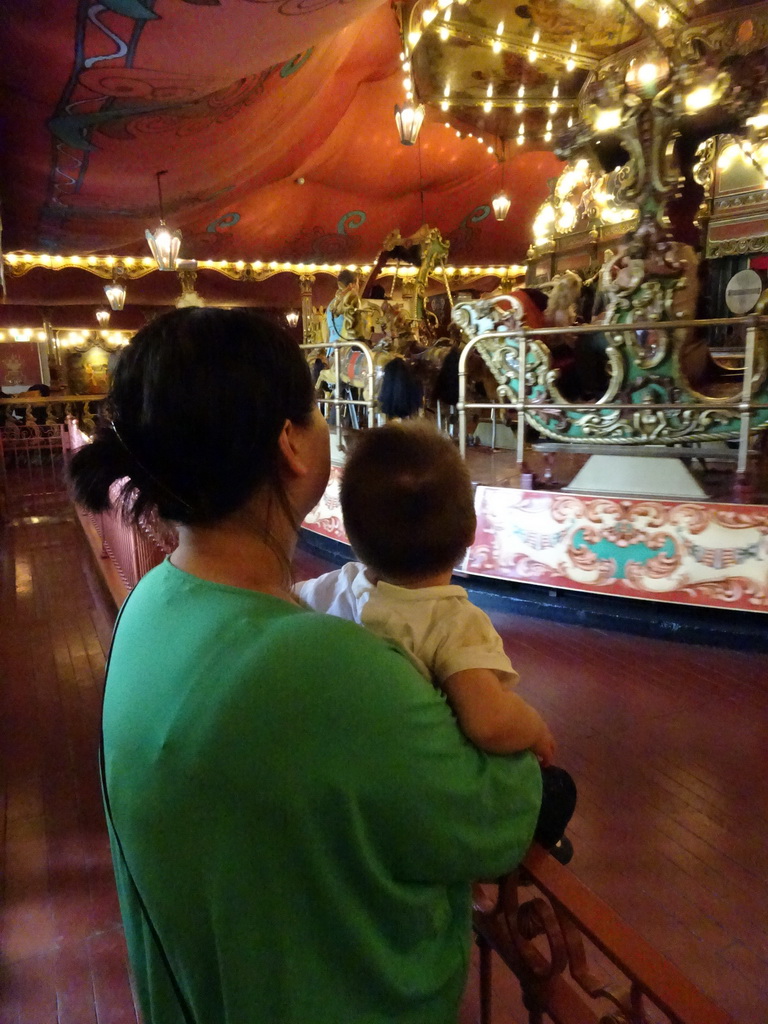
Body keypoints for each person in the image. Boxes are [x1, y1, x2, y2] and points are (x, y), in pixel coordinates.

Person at [68, 307, 545, 1024]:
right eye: (317, 412)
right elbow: (498, 818)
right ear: (291, 444)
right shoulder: (320, 668)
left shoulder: (153, 603)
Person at [295, 422, 576, 861]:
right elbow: (489, 722)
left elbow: (283, 604)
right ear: (470, 534)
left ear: (350, 533)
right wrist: (535, 726)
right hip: (417, 796)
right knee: (558, 789)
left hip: (342, 779)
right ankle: (505, 865)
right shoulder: (453, 622)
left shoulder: (334, 589)